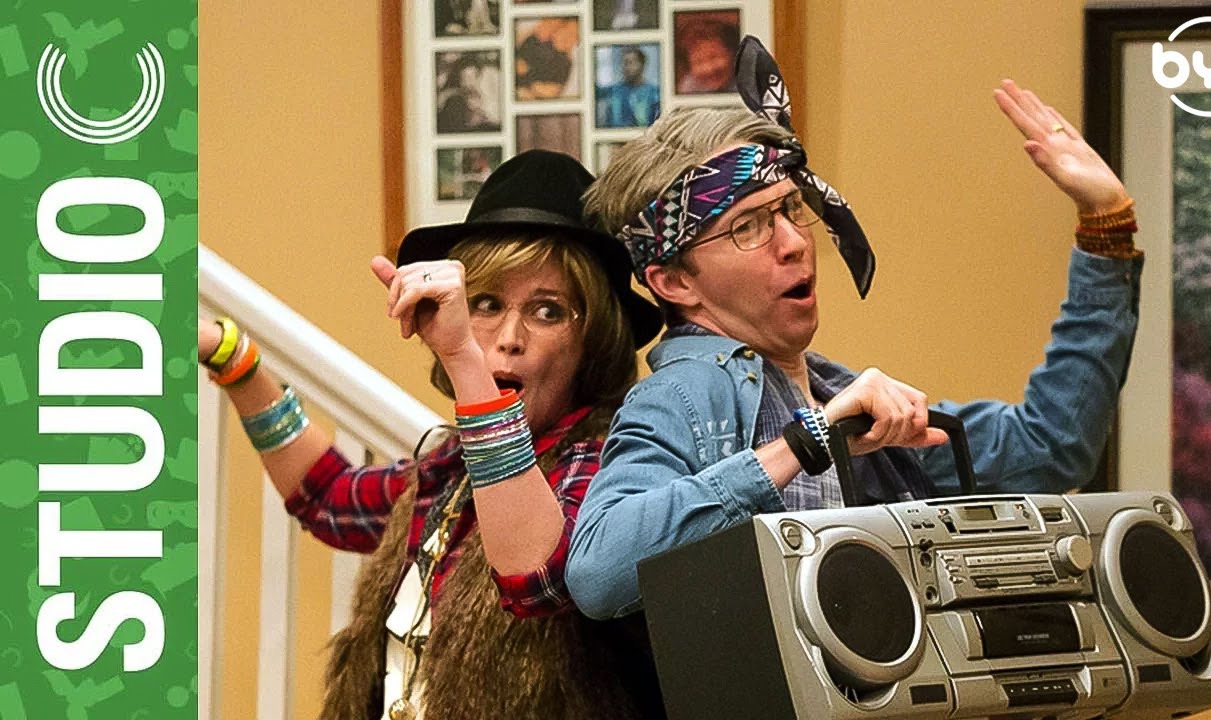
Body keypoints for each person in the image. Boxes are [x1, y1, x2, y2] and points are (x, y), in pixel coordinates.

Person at [565, 38, 1144, 620]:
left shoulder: (836, 393)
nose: (794, 243)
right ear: (674, 283)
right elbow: (598, 570)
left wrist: (1105, 226)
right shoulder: (683, 396)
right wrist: (806, 441)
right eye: (747, 228)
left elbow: (1048, 447)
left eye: (791, 210)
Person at [198, 150, 664, 718]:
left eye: (547, 311)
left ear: (593, 339)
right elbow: (327, 495)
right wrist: (234, 361)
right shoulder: (447, 473)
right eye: (486, 304)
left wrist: (464, 356)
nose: (509, 337)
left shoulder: (609, 467)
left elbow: (538, 575)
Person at [596, 46, 661, 129]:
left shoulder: (654, 93)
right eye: (624, 63)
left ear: (642, 64)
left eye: (630, 63)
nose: (626, 68)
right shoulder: (614, 91)